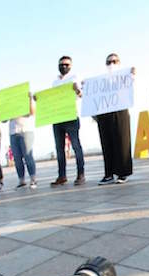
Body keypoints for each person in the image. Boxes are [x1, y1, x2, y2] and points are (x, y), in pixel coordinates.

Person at [96, 53, 134, 185]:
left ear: (119, 62)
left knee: (122, 142)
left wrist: (132, 73)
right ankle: (108, 174)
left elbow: (130, 82)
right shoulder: (101, 80)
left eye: (114, 61)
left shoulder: (124, 75)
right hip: (103, 113)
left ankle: (123, 173)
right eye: (109, 62)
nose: (111, 64)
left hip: (120, 111)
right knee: (106, 143)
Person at [50, 56, 85, 186]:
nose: (63, 66)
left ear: (70, 66)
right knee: (59, 148)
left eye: (66, 64)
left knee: (76, 146)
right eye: (61, 64)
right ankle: (62, 176)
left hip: (70, 116)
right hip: (57, 118)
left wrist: (77, 89)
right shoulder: (55, 82)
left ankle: (80, 174)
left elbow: (81, 95)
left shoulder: (75, 78)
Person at [9, 92, 37, 189]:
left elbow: (32, 112)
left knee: (28, 156)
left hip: (26, 131)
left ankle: (33, 179)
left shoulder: (26, 103)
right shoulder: (9, 108)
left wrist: (30, 99)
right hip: (13, 132)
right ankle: (21, 180)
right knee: (17, 158)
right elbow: (3, 120)